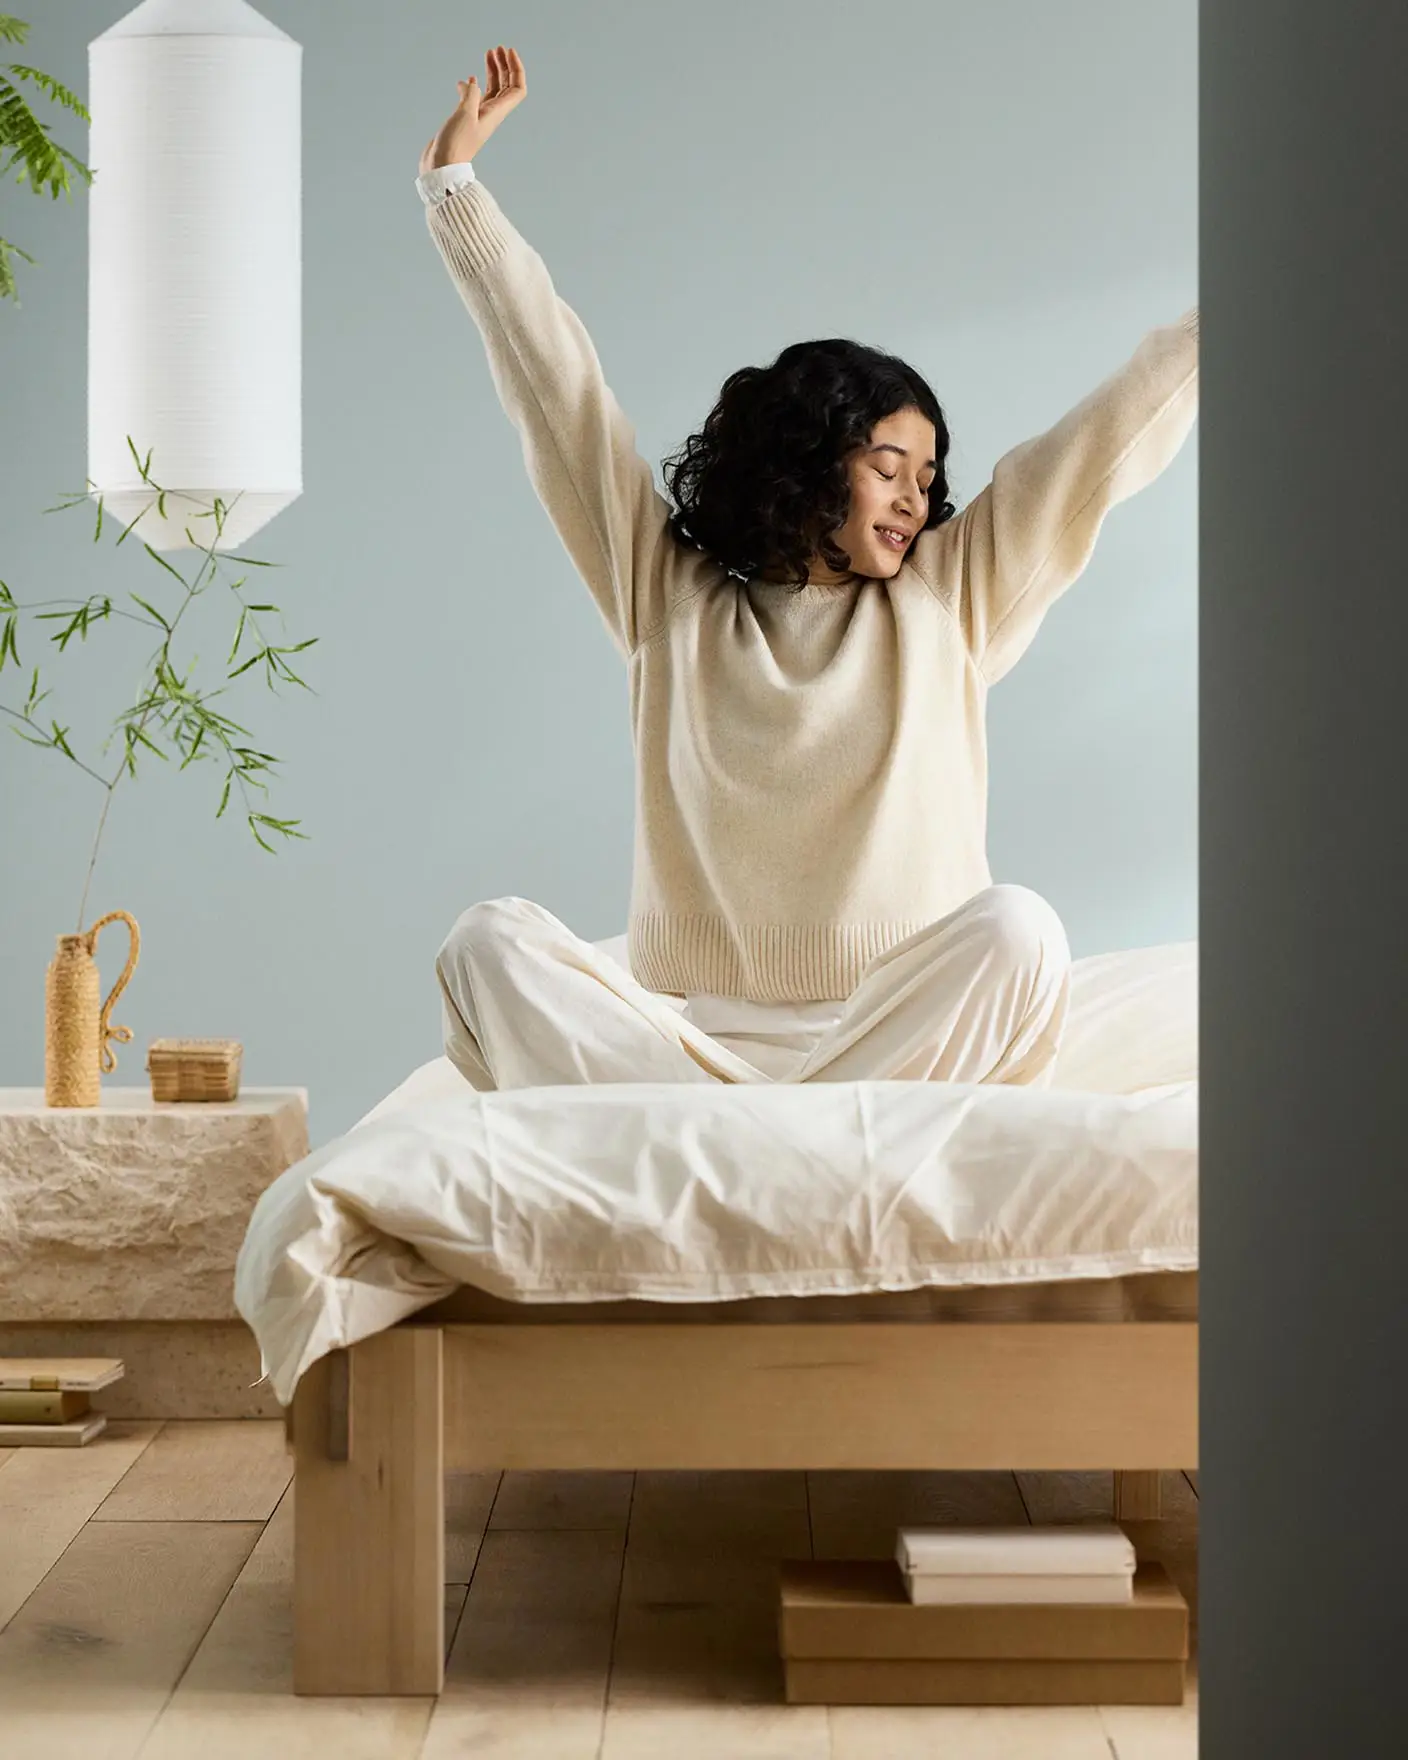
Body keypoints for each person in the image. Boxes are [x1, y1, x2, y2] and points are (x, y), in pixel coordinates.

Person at [418, 46, 1199, 1094]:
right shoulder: (669, 600)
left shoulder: (948, 598)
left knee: (1021, 930)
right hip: (695, 1041)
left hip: (896, 1024)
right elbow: (559, 397)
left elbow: (1100, 447)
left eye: (927, 476)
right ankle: (780, 1130)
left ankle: (772, 1136)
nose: (917, 497)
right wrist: (455, 192)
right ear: (807, 463)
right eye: (889, 466)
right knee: (486, 943)